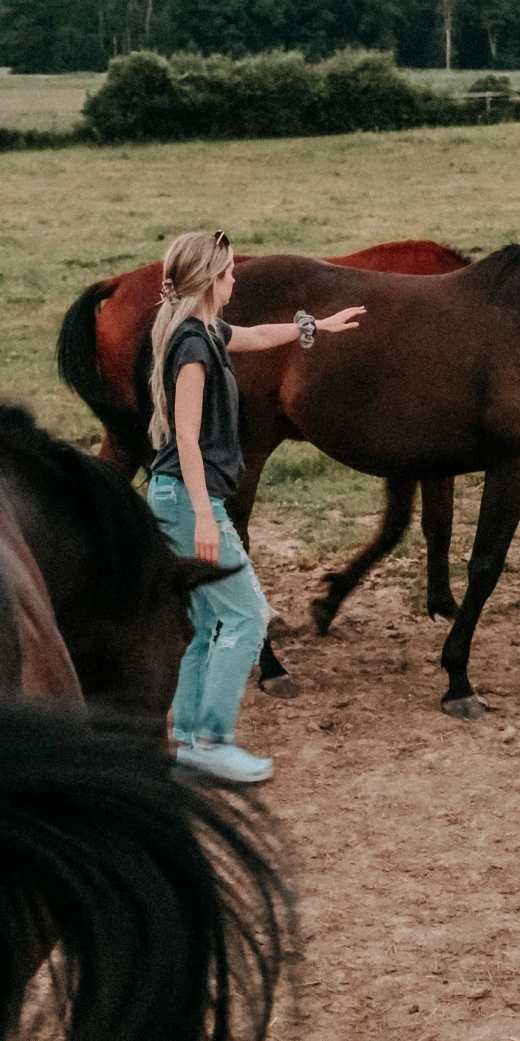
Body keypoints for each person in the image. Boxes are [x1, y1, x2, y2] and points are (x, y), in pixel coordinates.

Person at [147, 230, 365, 785]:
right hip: (189, 499)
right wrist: (203, 515)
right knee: (245, 617)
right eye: (226, 274)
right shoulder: (193, 348)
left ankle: (194, 745)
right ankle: (214, 740)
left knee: (203, 625)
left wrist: (316, 327)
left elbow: (258, 335)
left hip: (174, 496)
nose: (234, 280)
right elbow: (188, 439)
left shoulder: (202, 330)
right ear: (207, 282)